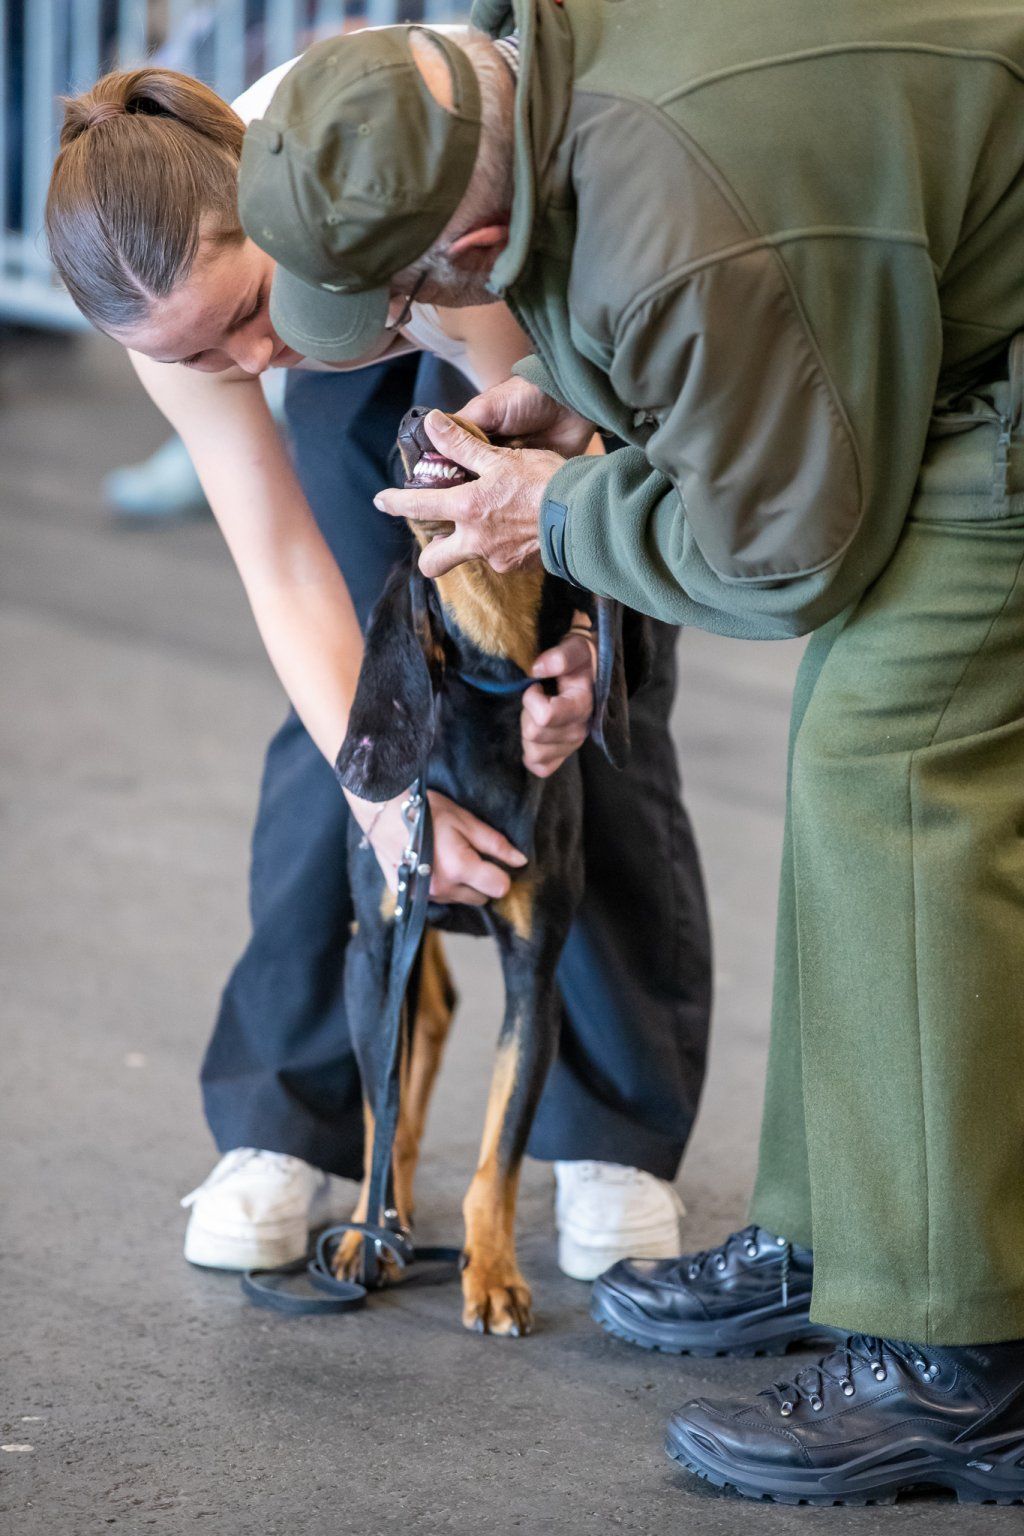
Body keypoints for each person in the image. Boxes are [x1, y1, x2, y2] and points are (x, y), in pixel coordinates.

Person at [236, 0, 1024, 1505]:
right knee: (853, 744)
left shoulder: (678, 219)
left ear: (462, 258)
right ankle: (853, 1230)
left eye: (398, 302)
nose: (403, 331)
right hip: (942, 286)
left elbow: (790, 557)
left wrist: (552, 511)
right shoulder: (531, 63)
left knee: (899, 765)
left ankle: (955, 1358)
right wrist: (565, 398)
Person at [44, 55, 713, 1287]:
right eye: (199, 360)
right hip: (350, 332)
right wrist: (389, 799)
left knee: (590, 703)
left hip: (471, 299)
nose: (245, 362)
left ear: (274, 216)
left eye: (244, 313)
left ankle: (609, 1129)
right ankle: (283, 1121)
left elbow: (571, 451)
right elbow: (285, 569)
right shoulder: (177, 314)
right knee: (354, 698)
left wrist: (579, 646)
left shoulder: (398, 195)